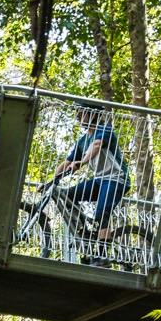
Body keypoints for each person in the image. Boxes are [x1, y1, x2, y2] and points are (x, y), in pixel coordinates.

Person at [53, 103, 130, 251]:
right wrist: (51, 181)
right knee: (67, 195)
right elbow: (67, 162)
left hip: (116, 179)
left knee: (101, 214)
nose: (78, 116)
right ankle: (83, 231)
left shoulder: (105, 130)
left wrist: (81, 162)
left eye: (82, 113)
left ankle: (102, 256)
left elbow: (96, 146)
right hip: (99, 180)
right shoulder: (82, 140)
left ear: (93, 115)